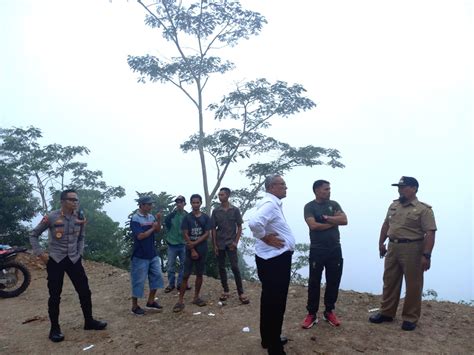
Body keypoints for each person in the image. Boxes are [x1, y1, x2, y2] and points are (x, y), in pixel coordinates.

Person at [29, 189, 107, 343]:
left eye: (76, 200)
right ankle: (55, 329)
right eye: (72, 199)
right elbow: (33, 234)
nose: (75, 202)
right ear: (63, 201)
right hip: (56, 260)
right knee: (55, 295)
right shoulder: (51, 217)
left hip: (73, 259)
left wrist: (79, 253)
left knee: (85, 291)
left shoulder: (80, 217)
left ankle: (89, 321)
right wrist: (40, 253)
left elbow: (82, 237)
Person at [369, 176, 437, 331]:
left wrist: (426, 255)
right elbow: (386, 224)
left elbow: (430, 233)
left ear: (413, 188)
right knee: (389, 280)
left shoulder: (423, 209)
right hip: (393, 247)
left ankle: (410, 318)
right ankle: (386, 312)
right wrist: (381, 243)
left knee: (413, 284)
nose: (400, 190)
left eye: (403, 187)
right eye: (399, 187)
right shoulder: (394, 205)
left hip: (413, 248)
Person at [248, 174, 295, 355]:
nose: (286, 187)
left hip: (270, 259)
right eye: (282, 184)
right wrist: (265, 237)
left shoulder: (271, 203)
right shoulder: (270, 204)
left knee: (269, 300)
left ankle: (268, 338)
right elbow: (254, 223)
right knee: (276, 303)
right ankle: (275, 348)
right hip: (275, 260)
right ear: (271, 187)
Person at [301, 180, 348, 329]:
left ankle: (329, 311)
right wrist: (333, 223)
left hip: (334, 248)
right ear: (316, 191)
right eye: (326, 189)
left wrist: (327, 218)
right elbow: (313, 225)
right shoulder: (309, 207)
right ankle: (311, 314)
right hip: (317, 249)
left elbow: (344, 220)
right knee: (314, 281)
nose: (329, 191)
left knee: (333, 280)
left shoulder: (334, 204)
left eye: (329, 189)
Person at [173, 194, 211, 312]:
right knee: (185, 275)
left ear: (200, 203)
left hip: (202, 249)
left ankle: (196, 297)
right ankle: (180, 300)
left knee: (199, 274)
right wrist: (193, 248)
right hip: (190, 249)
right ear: (190, 204)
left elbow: (207, 234)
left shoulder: (205, 218)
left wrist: (195, 244)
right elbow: (185, 233)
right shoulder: (187, 218)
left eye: (197, 202)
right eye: (193, 203)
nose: (195, 204)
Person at [211, 187, 249, 304]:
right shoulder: (216, 211)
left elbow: (239, 226)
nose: (219, 196)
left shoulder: (235, 210)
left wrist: (235, 242)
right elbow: (213, 228)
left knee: (235, 267)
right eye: (219, 195)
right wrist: (215, 245)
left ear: (228, 196)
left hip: (231, 243)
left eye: (222, 195)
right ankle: (226, 290)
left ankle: (241, 292)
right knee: (221, 267)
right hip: (220, 243)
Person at [129, 196, 165, 315]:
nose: (151, 206)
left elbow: (158, 230)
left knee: (157, 276)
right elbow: (140, 236)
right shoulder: (135, 218)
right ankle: (134, 306)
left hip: (152, 253)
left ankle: (151, 301)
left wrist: (158, 221)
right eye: (149, 204)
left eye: (151, 204)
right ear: (142, 205)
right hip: (140, 255)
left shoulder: (151, 217)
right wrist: (152, 229)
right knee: (138, 281)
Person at [164, 195, 188, 293]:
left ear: (184, 204)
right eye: (177, 202)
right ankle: (171, 284)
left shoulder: (187, 216)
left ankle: (180, 284)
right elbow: (167, 225)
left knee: (184, 265)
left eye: (181, 202)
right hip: (172, 244)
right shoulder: (171, 216)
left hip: (183, 244)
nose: (179, 204)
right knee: (170, 265)